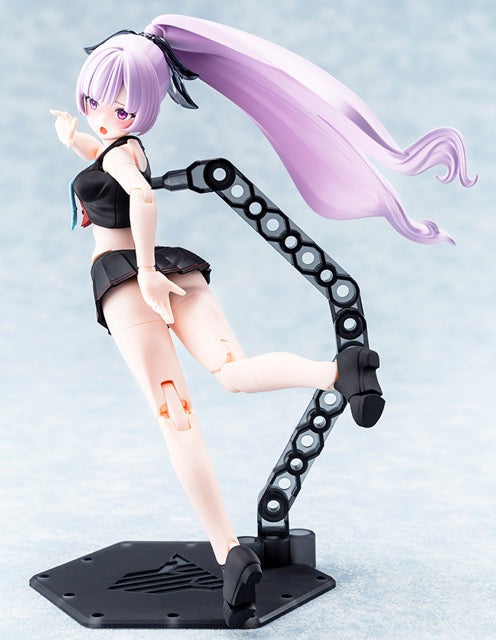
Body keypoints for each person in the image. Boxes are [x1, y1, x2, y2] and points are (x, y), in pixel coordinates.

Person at [50, 14, 474, 627]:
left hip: (128, 280)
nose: (102, 113)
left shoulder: (122, 153)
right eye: (95, 101)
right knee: (231, 370)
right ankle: (339, 372)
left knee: (177, 419)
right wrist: (78, 142)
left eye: (118, 106)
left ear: (143, 107)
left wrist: (142, 271)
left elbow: (139, 195)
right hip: (175, 269)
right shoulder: (123, 146)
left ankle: (229, 553)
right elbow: (117, 164)